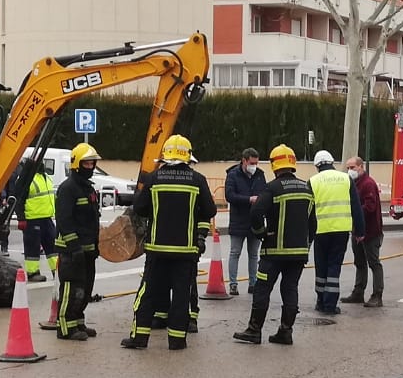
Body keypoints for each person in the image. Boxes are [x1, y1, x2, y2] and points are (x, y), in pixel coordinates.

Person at [123, 135, 216, 351]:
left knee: (147, 294)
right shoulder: (198, 180)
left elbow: (140, 208)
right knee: (181, 296)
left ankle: (139, 338)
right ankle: (176, 341)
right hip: (185, 251)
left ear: (165, 156)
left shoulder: (154, 178)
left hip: (157, 250)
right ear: (188, 156)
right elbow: (210, 210)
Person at [235, 145, 314, 346]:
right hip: (298, 253)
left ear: (273, 165)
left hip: (273, 253)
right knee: (290, 289)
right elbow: (313, 223)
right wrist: (306, 245)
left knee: (262, 289)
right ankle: (285, 332)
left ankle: (254, 330)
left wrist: (261, 233)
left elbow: (255, 213)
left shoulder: (272, 188)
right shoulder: (307, 188)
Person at [51, 144, 103, 341]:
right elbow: (64, 220)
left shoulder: (88, 188)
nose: (90, 167)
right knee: (71, 289)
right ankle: (65, 327)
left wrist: (95, 246)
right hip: (71, 251)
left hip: (87, 250)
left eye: (92, 163)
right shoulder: (68, 189)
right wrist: (74, 248)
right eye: (86, 163)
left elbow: (92, 220)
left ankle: (78, 322)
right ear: (77, 165)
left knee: (85, 289)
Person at [307, 150, 353, 315]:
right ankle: (330, 305)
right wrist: (360, 230)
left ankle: (320, 301)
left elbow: (309, 211)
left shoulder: (313, 181)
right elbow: (355, 206)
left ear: (317, 166)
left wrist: (308, 236)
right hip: (341, 230)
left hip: (320, 231)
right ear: (332, 162)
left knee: (321, 266)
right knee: (334, 266)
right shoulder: (346, 179)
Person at [223, 148, 265, 297]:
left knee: (253, 255)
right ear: (244, 161)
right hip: (238, 220)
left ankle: (253, 283)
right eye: (252, 163)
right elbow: (229, 195)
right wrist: (248, 200)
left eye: (256, 163)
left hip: (255, 221)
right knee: (235, 253)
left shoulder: (260, 175)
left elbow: (264, 193)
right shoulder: (233, 175)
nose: (254, 166)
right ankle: (233, 284)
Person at [344, 156, 384, 307]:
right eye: (348, 168)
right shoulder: (353, 184)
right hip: (357, 230)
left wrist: (354, 212)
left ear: (361, 167)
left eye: (352, 167)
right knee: (359, 262)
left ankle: (377, 295)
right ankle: (358, 292)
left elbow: (370, 207)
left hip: (370, 231)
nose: (350, 171)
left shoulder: (368, 184)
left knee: (374, 263)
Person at [18, 159, 57, 282]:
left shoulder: (46, 177)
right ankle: (32, 272)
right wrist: (21, 218)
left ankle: (57, 270)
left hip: (47, 218)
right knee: (33, 247)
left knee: (53, 246)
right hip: (32, 219)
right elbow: (19, 200)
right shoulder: (27, 179)